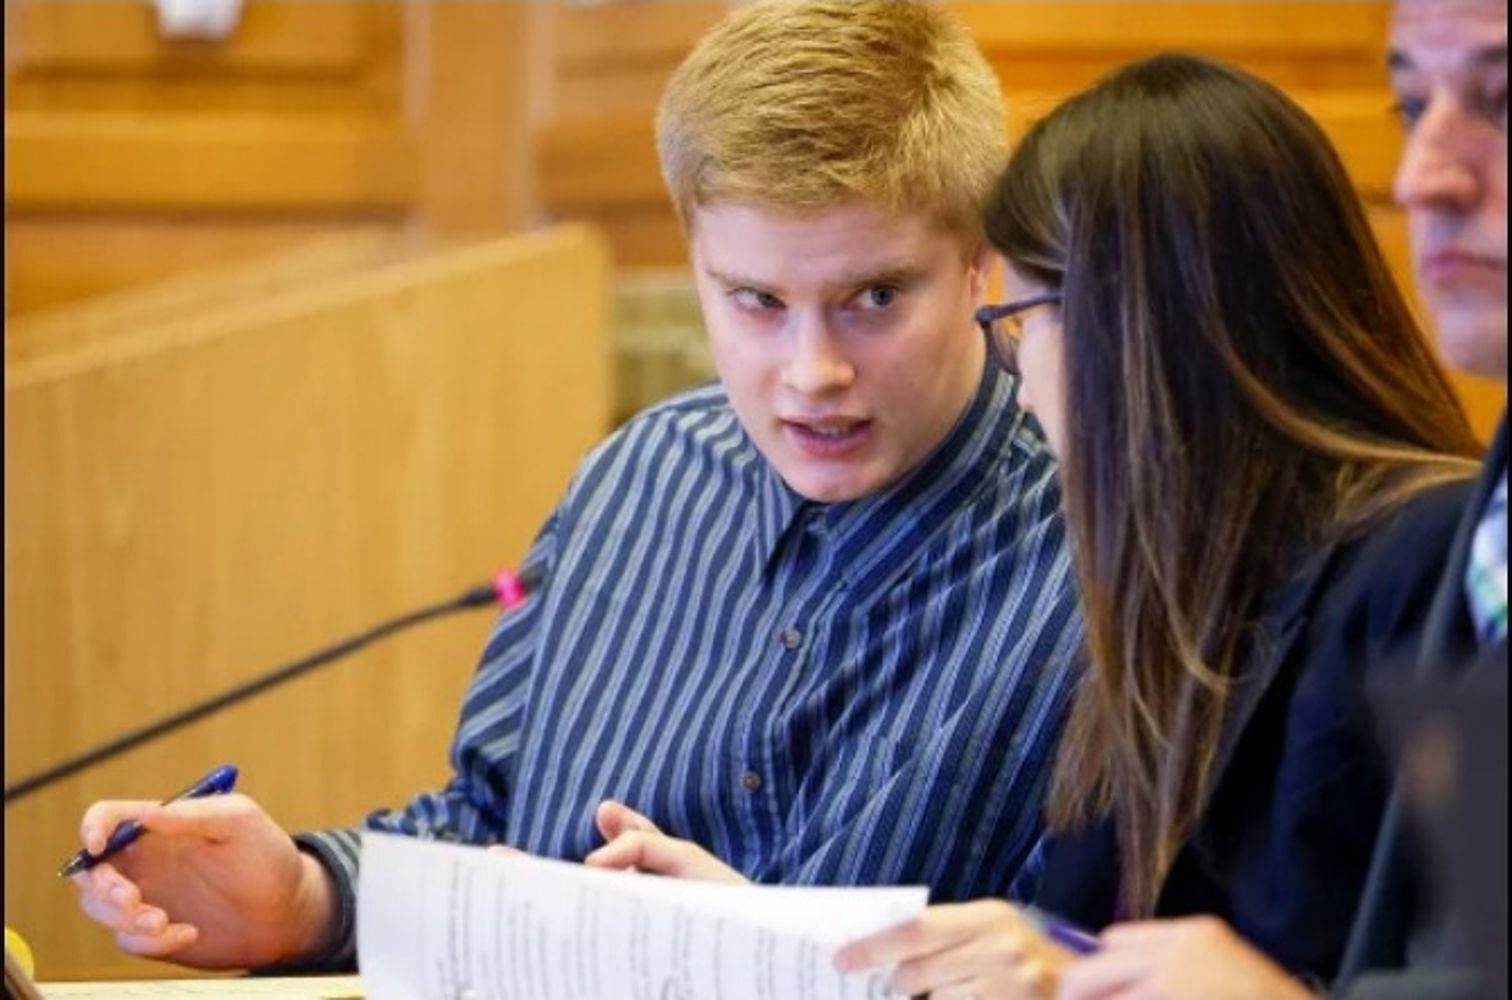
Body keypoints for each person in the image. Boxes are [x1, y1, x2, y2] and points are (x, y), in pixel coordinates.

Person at [67, 0, 1086, 971]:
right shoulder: (636, 481)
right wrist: (306, 899)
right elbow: (485, 825)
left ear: (979, 266)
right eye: (756, 301)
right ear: (695, 265)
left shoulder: (1095, 561)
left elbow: (1089, 962)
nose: (813, 371)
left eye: (874, 296)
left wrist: (767, 963)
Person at [589, 52, 1486, 996]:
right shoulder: (1173, 596)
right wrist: (762, 937)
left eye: (1022, 319)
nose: (1017, 386)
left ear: (1135, 324)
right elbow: (1077, 970)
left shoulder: (1435, 559)